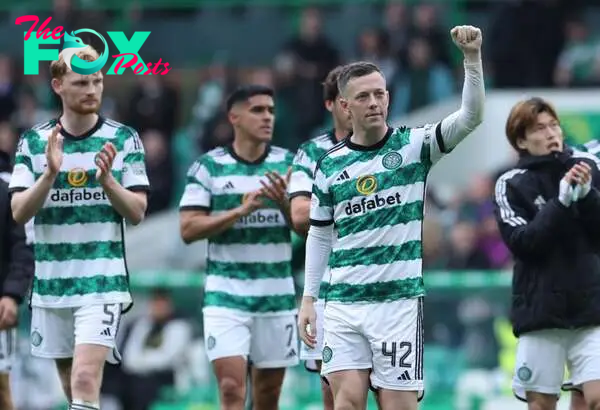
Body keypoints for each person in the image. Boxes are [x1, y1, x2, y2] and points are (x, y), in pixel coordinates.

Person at [298, 25, 484, 410]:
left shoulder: (415, 146)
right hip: (342, 303)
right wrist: (308, 299)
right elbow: (318, 236)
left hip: (397, 305)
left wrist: (471, 59)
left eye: (379, 93)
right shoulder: (329, 165)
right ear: (345, 107)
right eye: (362, 96)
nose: (373, 102)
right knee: (347, 403)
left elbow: (470, 117)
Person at [8, 45, 150, 410]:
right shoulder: (34, 142)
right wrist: (50, 175)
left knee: (85, 378)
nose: (92, 90)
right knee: (73, 389)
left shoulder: (123, 139)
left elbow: (136, 212)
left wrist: (108, 183)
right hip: (52, 282)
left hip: (101, 279)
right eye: (81, 82)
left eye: (97, 81)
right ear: (58, 85)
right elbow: (19, 212)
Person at [179, 85, 299, 410]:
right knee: (232, 389)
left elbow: (306, 226)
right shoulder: (208, 167)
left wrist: (285, 204)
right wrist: (238, 212)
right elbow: (188, 229)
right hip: (226, 296)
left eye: (271, 111)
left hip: (276, 297)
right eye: (258, 110)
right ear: (235, 117)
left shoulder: (288, 164)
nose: (267, 117)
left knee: (268, 397)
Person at [493, 97, 600, 410]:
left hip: (591, 309)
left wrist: (587, 196)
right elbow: (525, 243)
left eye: (554, 124)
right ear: (522, 140)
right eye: (539, 128)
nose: (551, 132)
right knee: (541, 405)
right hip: (541, 312)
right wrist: (562, 202)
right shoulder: (511, 184)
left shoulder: (587, 168)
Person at [289, 65, 352, 410]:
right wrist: (359, 211)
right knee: (331, 387)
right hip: (328, 285)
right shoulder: (312, 153)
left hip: (382, 285)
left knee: (388, 391)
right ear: (331, 104)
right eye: (344, 99)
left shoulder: (391, 146)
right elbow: (300, 216)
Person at [0, 176, 34, 410]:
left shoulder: (6, 192)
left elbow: (22, 248)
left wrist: (11, 295)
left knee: (1, 387)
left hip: (0, 306)